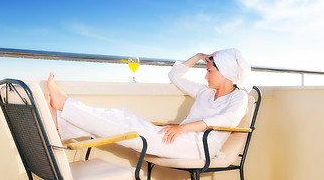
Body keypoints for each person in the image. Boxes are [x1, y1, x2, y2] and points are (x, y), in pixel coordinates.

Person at [45, 48, 252, 159]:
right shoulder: (205, 92)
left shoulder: (239, 97)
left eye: (209, 71)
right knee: (125, 118)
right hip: (178, 138)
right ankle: (60, 117)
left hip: (198, 147)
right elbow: (175, 75)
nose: (205, 77)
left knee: (127, 123)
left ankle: (64, 109)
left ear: (225, 73)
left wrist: (183, 128)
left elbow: (228, 120)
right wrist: (198, 56)